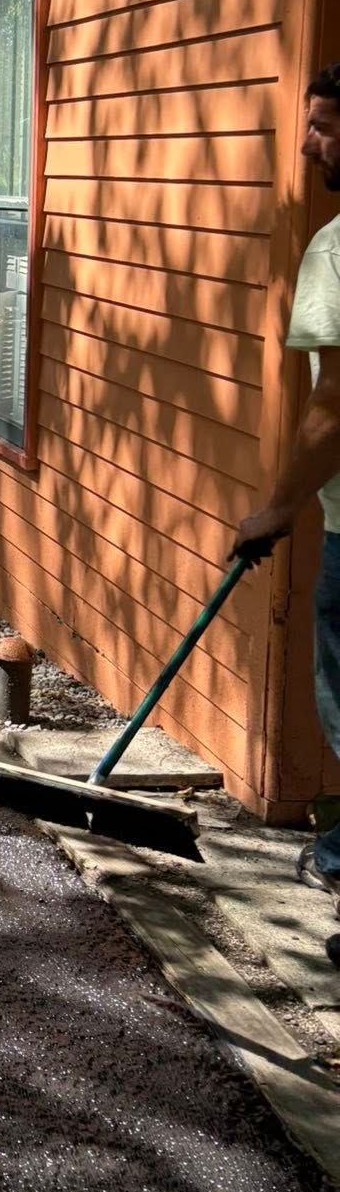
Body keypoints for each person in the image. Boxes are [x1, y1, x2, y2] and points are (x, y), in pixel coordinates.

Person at [234, 62, 340, 895]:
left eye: (326, 127)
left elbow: (336, 403)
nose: (307, 144)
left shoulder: (336, 251)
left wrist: (276, 506)